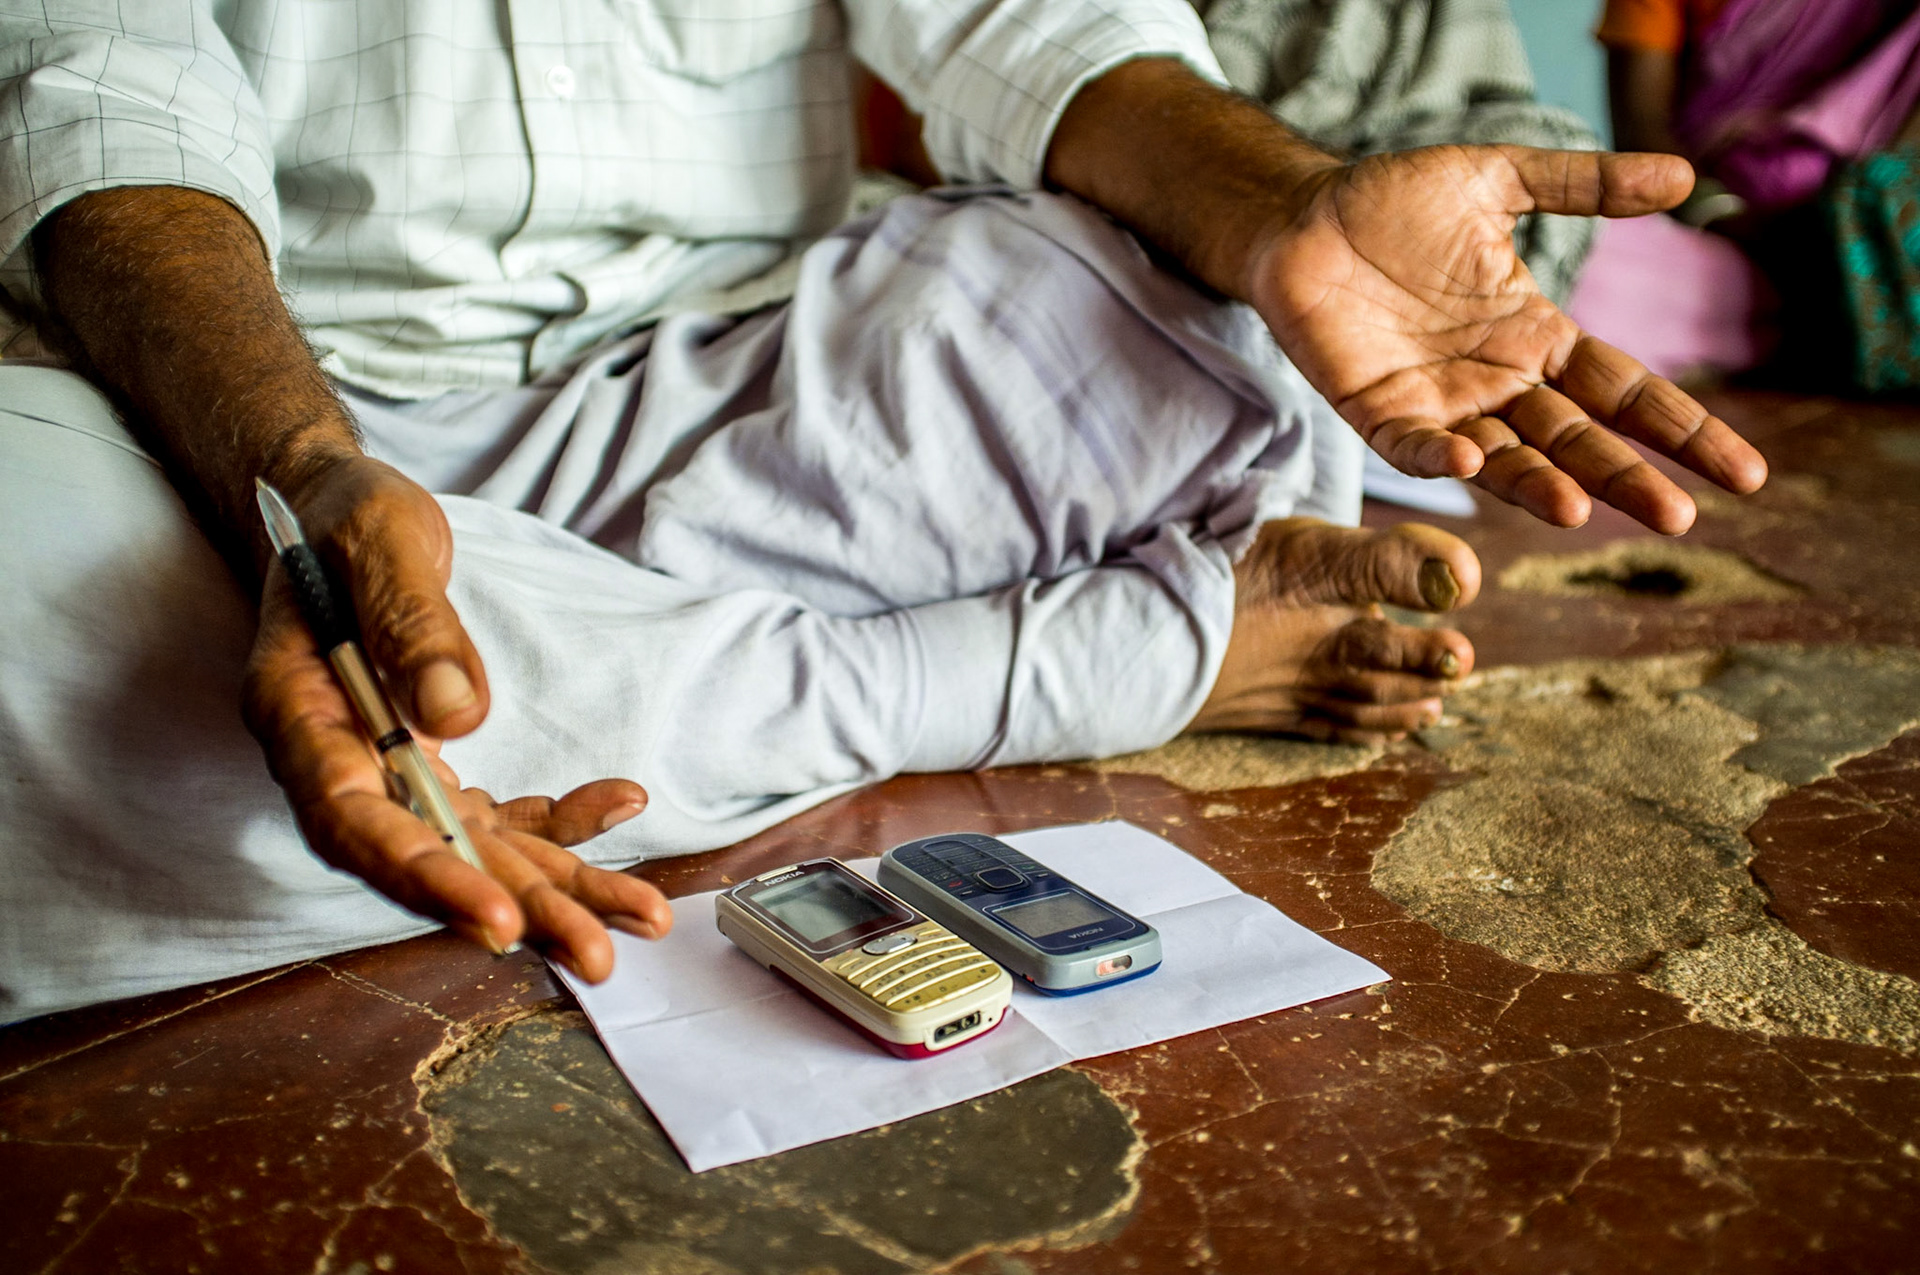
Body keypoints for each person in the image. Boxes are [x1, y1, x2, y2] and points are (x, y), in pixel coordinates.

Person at [0, 0, 1766, 1020]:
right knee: (34, 595)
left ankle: (608, 690)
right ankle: (1075, 660)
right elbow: (102, 97)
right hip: (238, 404)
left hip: (745, 381)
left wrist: (1284, 219)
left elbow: (1037, 30)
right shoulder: (272, 447)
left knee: (1180, 323)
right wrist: (296, 491)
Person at [1590, 0, 1920, 388]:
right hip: (1721, 233)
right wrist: (1729, 218)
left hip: (1866, 238)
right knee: (1582, 275)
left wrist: (1851, 220)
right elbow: (1641, 132)